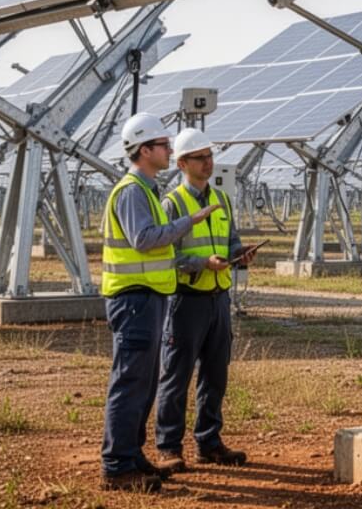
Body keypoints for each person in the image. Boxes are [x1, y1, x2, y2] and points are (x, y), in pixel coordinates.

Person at [101, 113, 221, 493]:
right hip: (133, 299)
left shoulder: (147, 189)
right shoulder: (132, 190)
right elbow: (144, 238)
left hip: (148, 297)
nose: (171, 151)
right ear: (144, 150)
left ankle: (133, 456)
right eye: (164, 146)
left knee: (145, 382)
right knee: (131, 381)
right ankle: (118, 465)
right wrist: (189, 221)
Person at [155, 128, 255, 472]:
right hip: (186, 300)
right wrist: (201, 264)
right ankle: (168, 447)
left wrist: (239, 254)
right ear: (182, 163)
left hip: (218, 299)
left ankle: (208, 442)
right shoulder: (172, 203)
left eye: (210, 155)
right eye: (200, 157)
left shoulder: (222, 200)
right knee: (176, 375)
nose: (208, 162)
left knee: (216, 374)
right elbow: (166, 254)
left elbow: (231, 240)